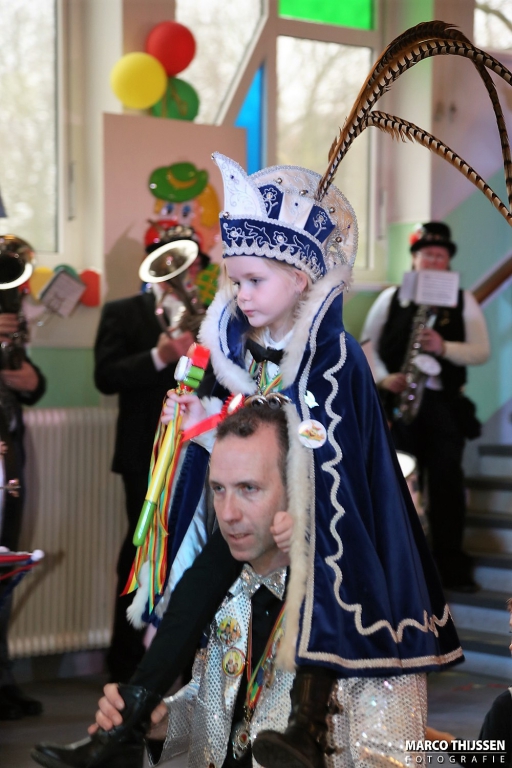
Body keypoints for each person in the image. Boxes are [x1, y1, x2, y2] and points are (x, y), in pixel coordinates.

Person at [33, 152, 462, 768]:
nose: (242, 294)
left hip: (332, 521)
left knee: (326, 583)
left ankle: (307, 726)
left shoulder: (336, 353)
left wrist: (304, 514)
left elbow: (336, 458)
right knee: (196, 586)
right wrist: (199, 424)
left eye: (255, 281)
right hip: (269, 510)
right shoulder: (245, 343)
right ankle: (129, 719)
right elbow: (250, 427)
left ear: (301, 278)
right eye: (235, 282)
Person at [34, 405, 429, 768]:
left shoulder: (366, 615)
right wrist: (162, 723)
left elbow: (393, 758)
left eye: (249, 489)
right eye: (219, 489)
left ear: (299, 488)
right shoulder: (230, 591)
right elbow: (216, 708)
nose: (227, 513)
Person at [360, 222, 490, 593]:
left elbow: (481, 351)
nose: (433, 261)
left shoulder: (464, 300)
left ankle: (450, 567)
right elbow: (367, 344)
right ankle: (400, 566)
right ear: (414, 260)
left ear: (448, 262)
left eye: (440, 256)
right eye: (426, 255)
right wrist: (385, 377)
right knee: (398, 484)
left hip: (444, 405)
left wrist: (444, 347)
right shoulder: (392, 297)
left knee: (447, 482)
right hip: (399, 405)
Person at [93, 232, 197, 683]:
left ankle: (186, 664)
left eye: (190, 262)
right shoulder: (123, 312)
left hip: (195, 450)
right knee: (141, 552)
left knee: (189, 553)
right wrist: (161, 355)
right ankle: (126, 664)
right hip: (143, 453)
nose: (183, 271)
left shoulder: (206, 314)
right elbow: (105, 376)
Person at [0, 308, 46, 720]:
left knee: (5, 567)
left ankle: (2, 680)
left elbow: (32, 385)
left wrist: (30, 378)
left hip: (8, 453)